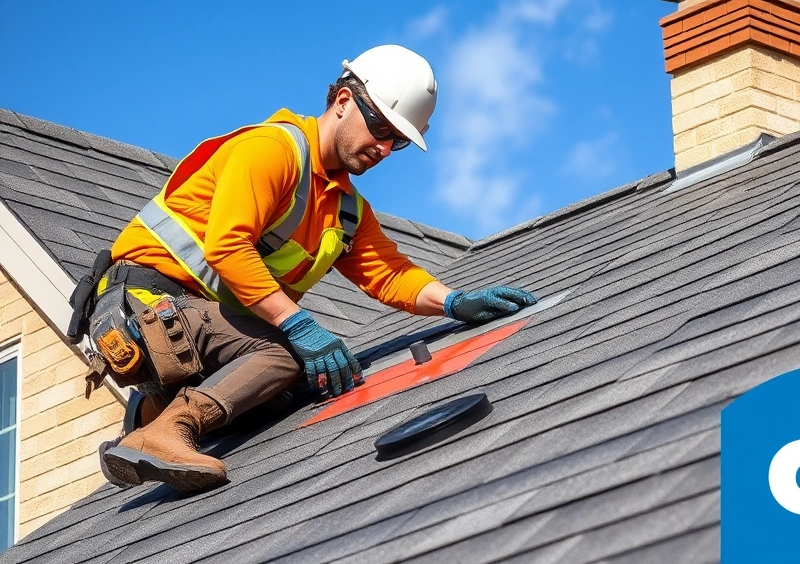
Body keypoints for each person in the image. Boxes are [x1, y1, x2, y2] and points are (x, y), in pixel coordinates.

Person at [82, 45, 536, 493]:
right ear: (342, 102)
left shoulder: (347, 211)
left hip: (196, 324)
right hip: (147, 306)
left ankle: (151, 415)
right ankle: (166, 429)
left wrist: (454, 302)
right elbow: (227, 246)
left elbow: (390, 274)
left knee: (293, 390)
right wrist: (297, 324)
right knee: (285, 355)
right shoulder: (270, 150)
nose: (383, 147)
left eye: (397, 140)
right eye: (379, 125)